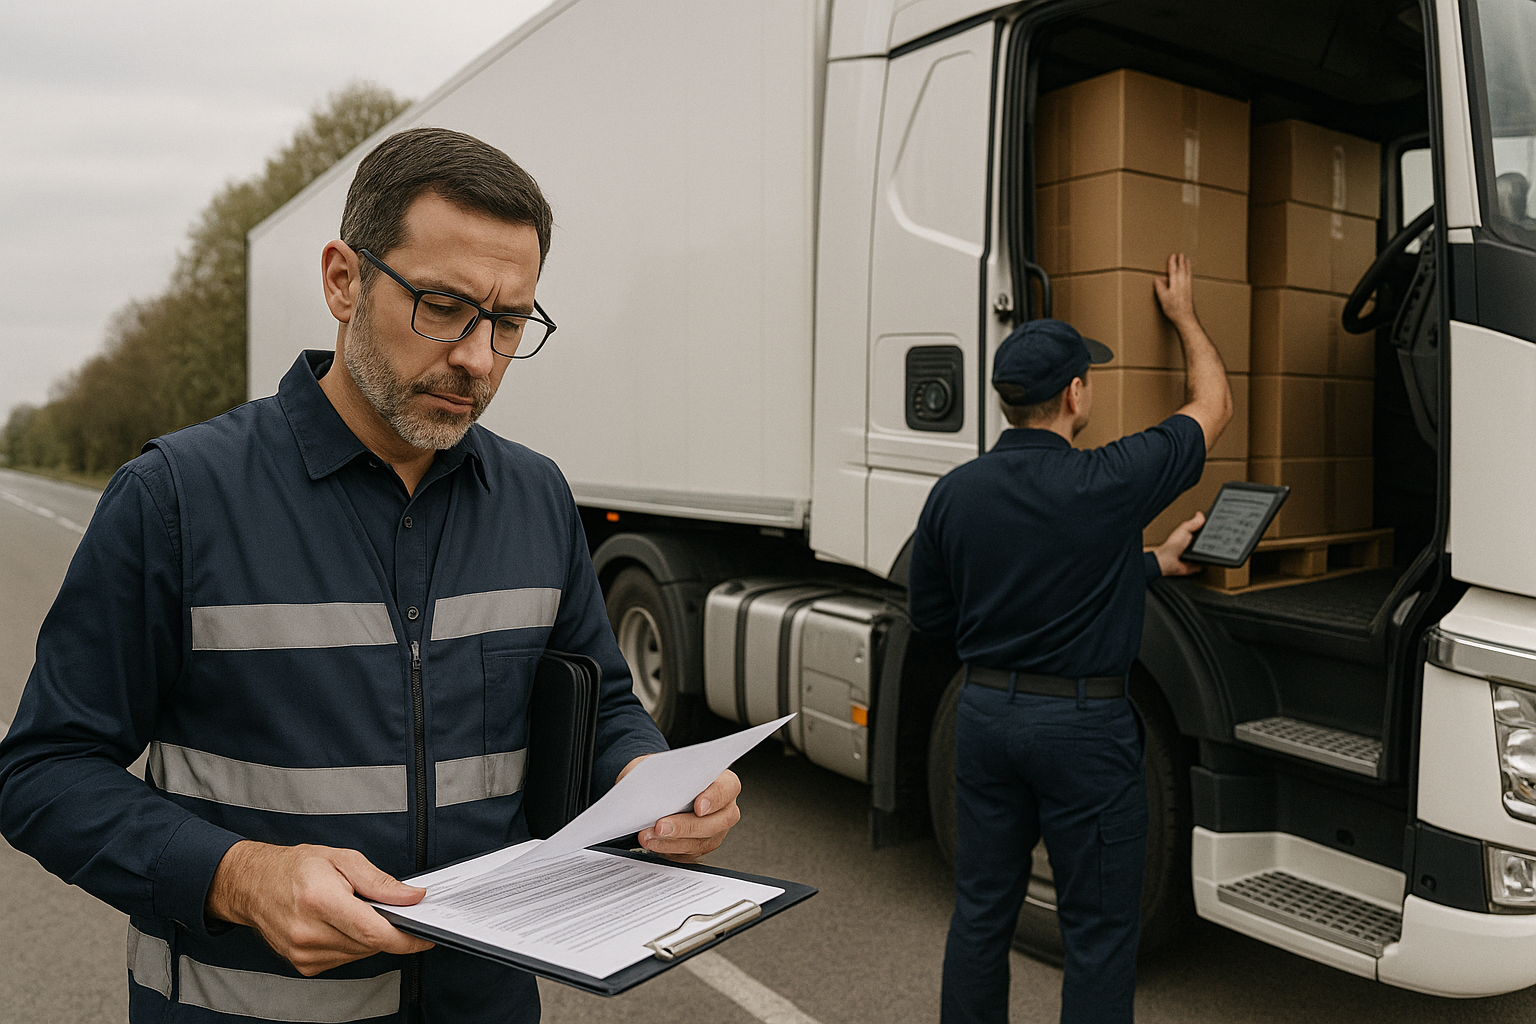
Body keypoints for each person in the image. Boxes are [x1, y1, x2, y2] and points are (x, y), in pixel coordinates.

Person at [0, 127, 742, 1024]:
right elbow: (43, 772)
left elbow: (601, 706)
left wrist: (649, 782)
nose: (477, 357)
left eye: (509, 323)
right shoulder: (176, 499)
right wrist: (237, 878)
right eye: (443, 306)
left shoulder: (537, 496)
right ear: (343, 280)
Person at [909, 253, 1232, 1024]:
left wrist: (1151, 563)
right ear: (1075, 394)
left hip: (984, 717)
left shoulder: (954, 495)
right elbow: (1213, 405)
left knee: (982, 914)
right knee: (1097, 931)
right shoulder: (1111, 481)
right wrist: (1184, 314)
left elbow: (934, 618)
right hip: (1085, 732)